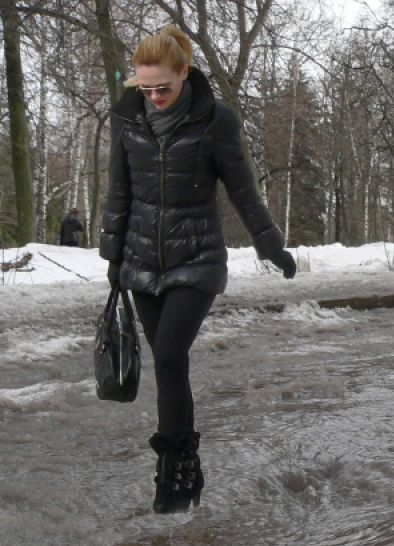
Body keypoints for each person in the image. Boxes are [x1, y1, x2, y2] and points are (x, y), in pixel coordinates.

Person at [100, 25, 297, 514]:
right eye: (144, 89)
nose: (154, 97)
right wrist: (112, 257)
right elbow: (119, 191)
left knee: (169, 352)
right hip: (142, 260)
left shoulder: (214, 120)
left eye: (162, 87)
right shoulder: (126, 120)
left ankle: (176, 469)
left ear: (184, 73)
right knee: (167, 365)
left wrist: (270, 244)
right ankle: (184, 466)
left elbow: (242, 189)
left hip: (198, 257)